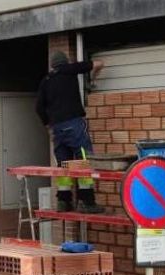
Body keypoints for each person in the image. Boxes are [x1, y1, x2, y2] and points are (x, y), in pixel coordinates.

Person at [36, 51, 105, 213]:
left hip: (57, 128)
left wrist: (48, 125)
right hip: (74, 124)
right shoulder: (71, 69)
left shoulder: (46, 81)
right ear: (65, 62)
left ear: (52, 64)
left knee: (64, 164)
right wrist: (93, 80)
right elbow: (99, 63)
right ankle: (87, 202)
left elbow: (38, 107)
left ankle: (63, 201)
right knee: (83, 160)